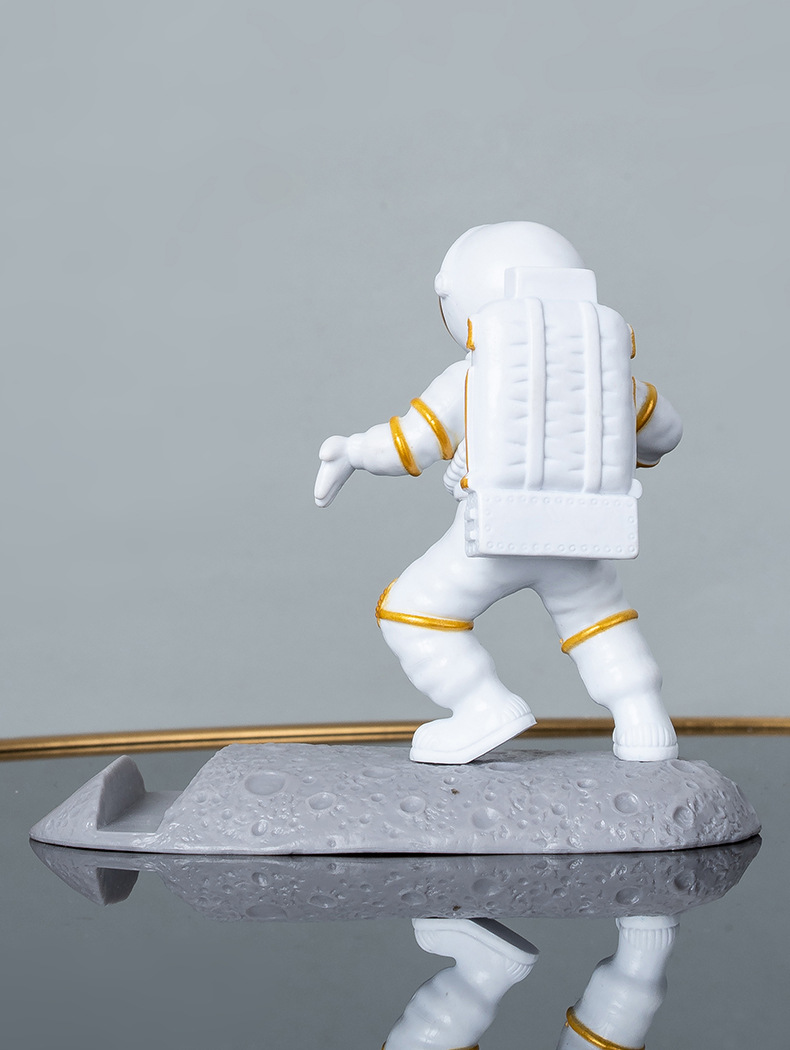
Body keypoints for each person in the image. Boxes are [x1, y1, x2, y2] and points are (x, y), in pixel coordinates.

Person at [315, 222, 682, 765]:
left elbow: (405, 446)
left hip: (498, 532)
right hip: (585, 532)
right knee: (598, 619)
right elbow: (666, 433)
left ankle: (481, 706)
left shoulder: (468, 378)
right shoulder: (615, 380)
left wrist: (350, 451)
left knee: (412, 612)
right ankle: (643, 718)